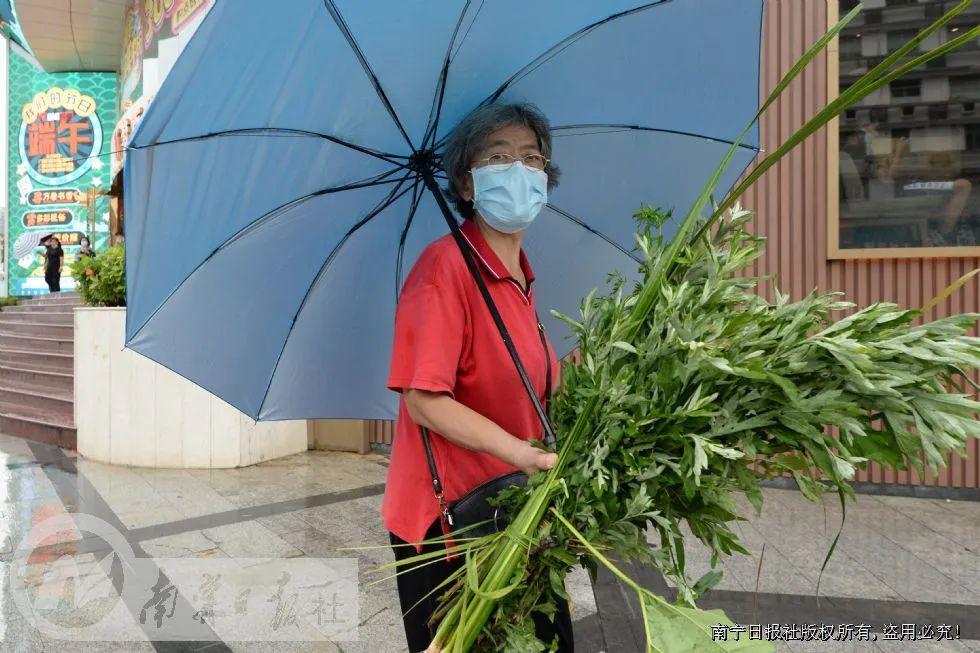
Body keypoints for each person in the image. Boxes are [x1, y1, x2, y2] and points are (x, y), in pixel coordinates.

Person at [383, 103, 574, 653]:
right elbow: (425, 400)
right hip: (450, 528)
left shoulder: (521, 276)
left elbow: (538, 384)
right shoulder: (443, 268)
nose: (519, 169)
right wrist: (526, 455)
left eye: (532, 157)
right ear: (467, 185)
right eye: (498, 156)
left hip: (513, 511)